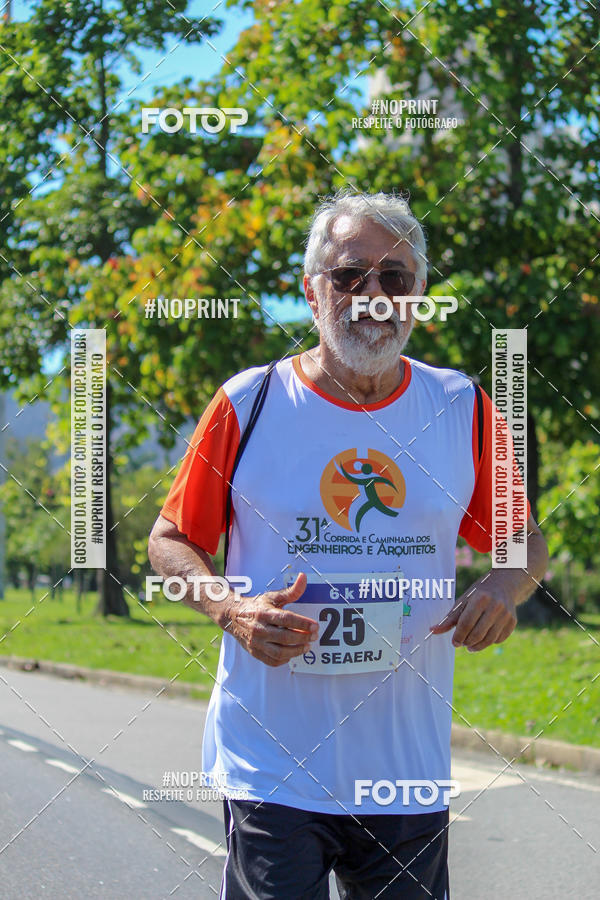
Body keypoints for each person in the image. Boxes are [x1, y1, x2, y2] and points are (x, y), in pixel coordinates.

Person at [148, 189, 548, 899]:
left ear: (418, 295)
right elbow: (170, 541)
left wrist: (500, 586)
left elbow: (523, 540)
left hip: (404, 772)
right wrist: (230, 610)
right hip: (272, 765)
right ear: (311, 291)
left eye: (395, 278)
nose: (373, 293)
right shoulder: (250, 403)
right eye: (349, 275)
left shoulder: (462, 408)